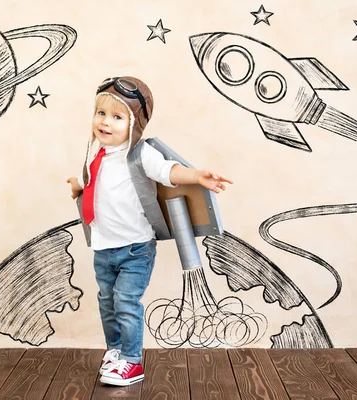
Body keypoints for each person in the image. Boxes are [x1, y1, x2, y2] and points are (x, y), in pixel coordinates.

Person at [66, 76, 232, 386]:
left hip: (135, 249)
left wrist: (196, 175)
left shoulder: (141, 154)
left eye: (117, 117)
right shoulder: (95, 153)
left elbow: (168, 171)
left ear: (135, 125)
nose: (105, 122)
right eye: (101, 113)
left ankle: (132, 362)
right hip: (103, 246)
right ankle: (115, 350)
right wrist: (77, 183)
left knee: (126, 302)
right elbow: (89, 177)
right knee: (107, 301)